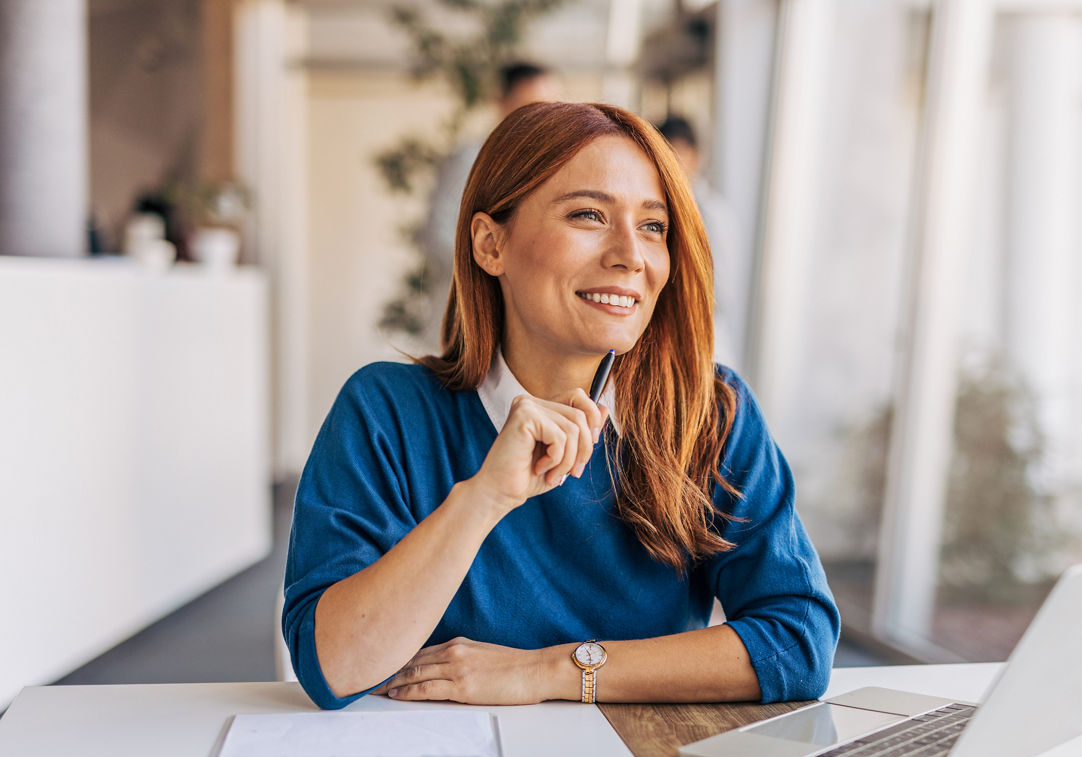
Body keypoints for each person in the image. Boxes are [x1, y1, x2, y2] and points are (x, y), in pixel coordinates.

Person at [284, 101, 839, 710]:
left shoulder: (710, 413)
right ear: (491, 245)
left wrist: (551, 672)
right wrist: (483, 499)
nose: (632, 254)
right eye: (588, 215)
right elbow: (331, 665)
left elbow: (797, 644)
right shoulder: (387, 412)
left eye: (654, 226)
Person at [418, 62, 562, 350]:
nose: (540, 118)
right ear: (501, 102)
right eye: (529, 106)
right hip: (468, 315)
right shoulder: (470, 159)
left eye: (550, 107)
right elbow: (437, 233)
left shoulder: (553, 166)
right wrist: (501, 264)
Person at [656, 115, 748, 369]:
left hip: (702, 341)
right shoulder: (658, 206)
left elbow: (720, 291)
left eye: (679, 154)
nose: (672, 164)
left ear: (696, 156)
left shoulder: (713, 213)